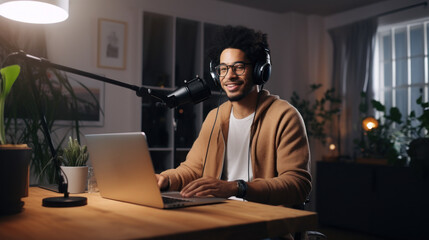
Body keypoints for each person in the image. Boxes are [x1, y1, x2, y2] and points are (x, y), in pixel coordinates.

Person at [156, 25, 311, 207]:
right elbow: (193, 169)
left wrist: (238, 188)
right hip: (219, 214)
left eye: (238, 67)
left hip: (265, 223)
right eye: (223, 68)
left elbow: (298, 184)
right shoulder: (215, 117)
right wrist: (164, 179)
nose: (229, 76)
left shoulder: (284, 117)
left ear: (259, 70)